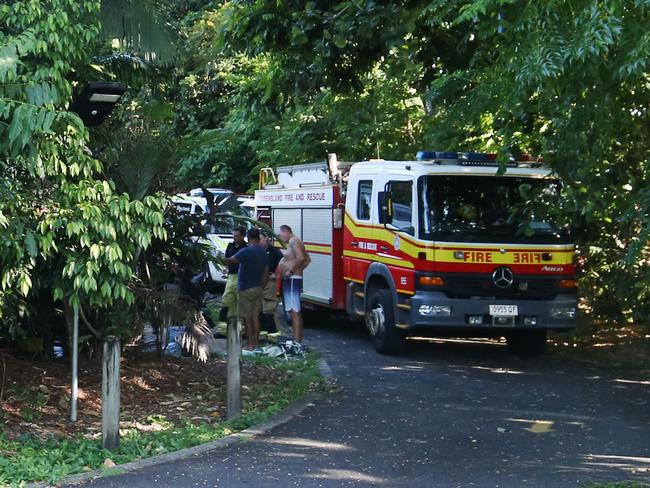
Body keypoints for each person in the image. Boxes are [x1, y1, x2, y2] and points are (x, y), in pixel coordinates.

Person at [225, 228, 268, 350]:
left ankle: (249, 344)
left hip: (245, 288)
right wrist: (261, 286)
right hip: (258, 288)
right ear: (258, 238)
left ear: (248, 238)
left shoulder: (246, 251)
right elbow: (266, 273)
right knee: (255, 317)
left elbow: (232, 260)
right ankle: (256, 343)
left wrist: (217, 259)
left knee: (247, 318)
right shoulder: (264, 253)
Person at [278, 225, 311, 342]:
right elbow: (308, 259)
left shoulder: (293, 241)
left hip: (292, 278)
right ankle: (297, 338)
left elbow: (301, 258)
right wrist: (299, 270)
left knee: (294, 310)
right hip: (292, 278)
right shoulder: (295, 242)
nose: (280, 237)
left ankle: (296, 340)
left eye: (280, 234)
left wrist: (292, 271)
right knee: (294, 309)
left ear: (286, 231)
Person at [259, 230, 284, 333]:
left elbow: (283, 266)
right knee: (259, 310)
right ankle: (262, 335)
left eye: (260, 239)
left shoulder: (275, 252)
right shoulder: (256, 251)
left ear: (267, 238)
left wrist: (277, 275)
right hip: (258, 283)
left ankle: (273, 335)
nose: (259, 241)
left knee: (269, 311)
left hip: (270, 284)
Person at [222, 227, 247, 320]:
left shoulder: (245, 248)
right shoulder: (230, 246)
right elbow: (226, 259)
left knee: (241, 302)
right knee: (227, 300)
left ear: (243, 236)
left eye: (237, 236)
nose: (234, 237)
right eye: (234, 235)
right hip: (231, 276)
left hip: (241, 276)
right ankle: (224, 329)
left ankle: (242, 329)